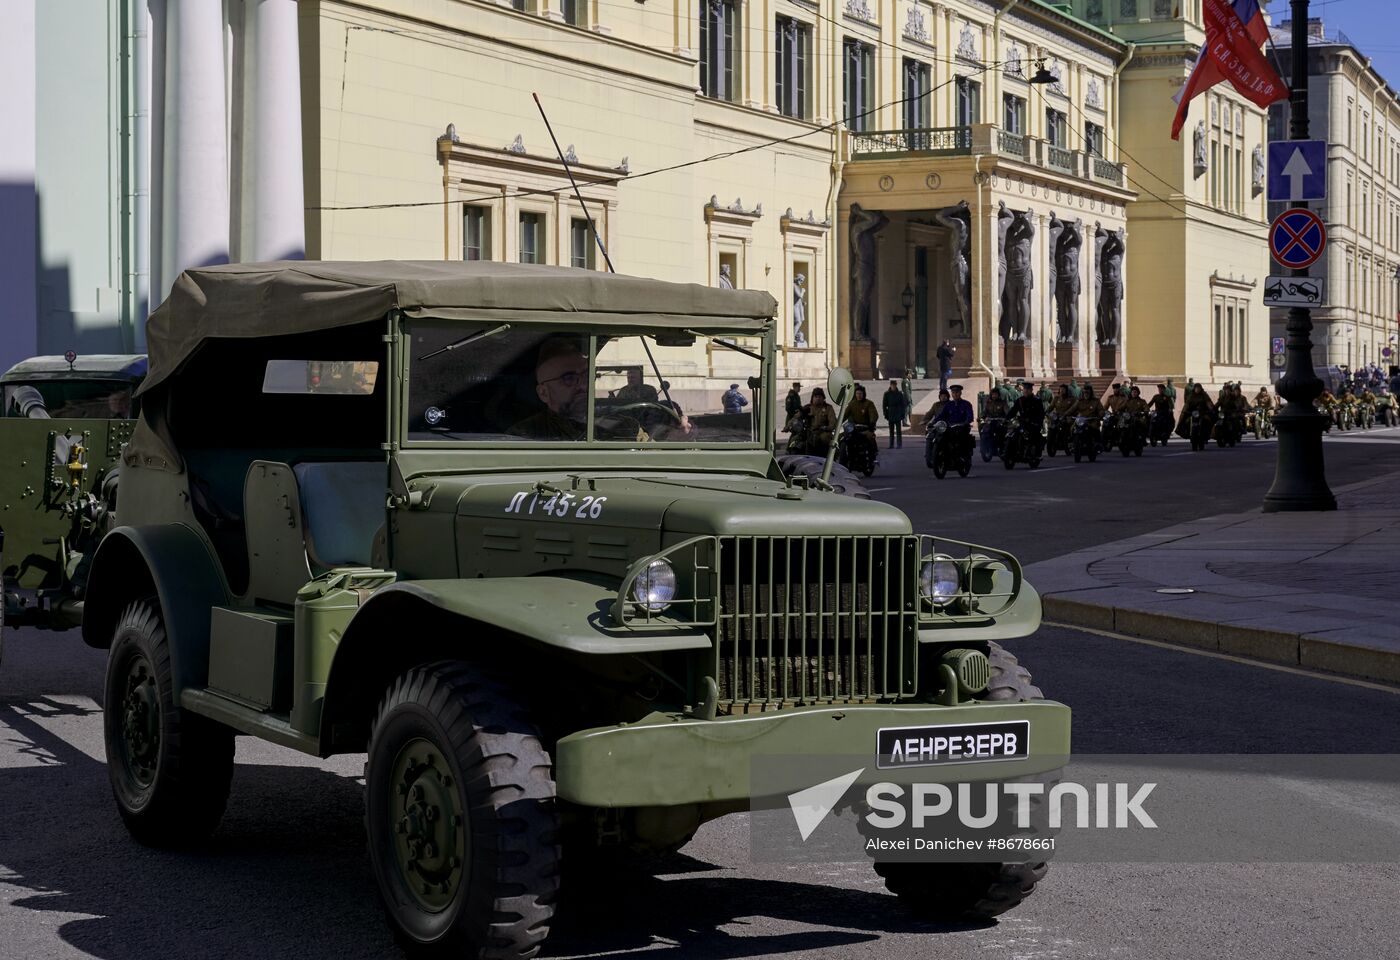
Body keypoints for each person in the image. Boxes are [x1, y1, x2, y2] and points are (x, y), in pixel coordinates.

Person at [511, 338, 647, 441]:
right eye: (569, 378)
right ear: (544, 393)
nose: (584, 386)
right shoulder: (525, 435)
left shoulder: (626, 427)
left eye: (587, 376)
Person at [883, 379, 907, 448]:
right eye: (892, 385)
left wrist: (903, 414)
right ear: (890, 385)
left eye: (894, 385)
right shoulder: (887, 394)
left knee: (899, 431)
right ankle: (891, 444)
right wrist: (885, 414)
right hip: (890, 413)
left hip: (898, 413)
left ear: (896, 385)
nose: (893, 386)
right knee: (891, 431)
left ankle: (899, 444)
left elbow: (903, 405)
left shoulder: (900, 394)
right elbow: (884, 405)